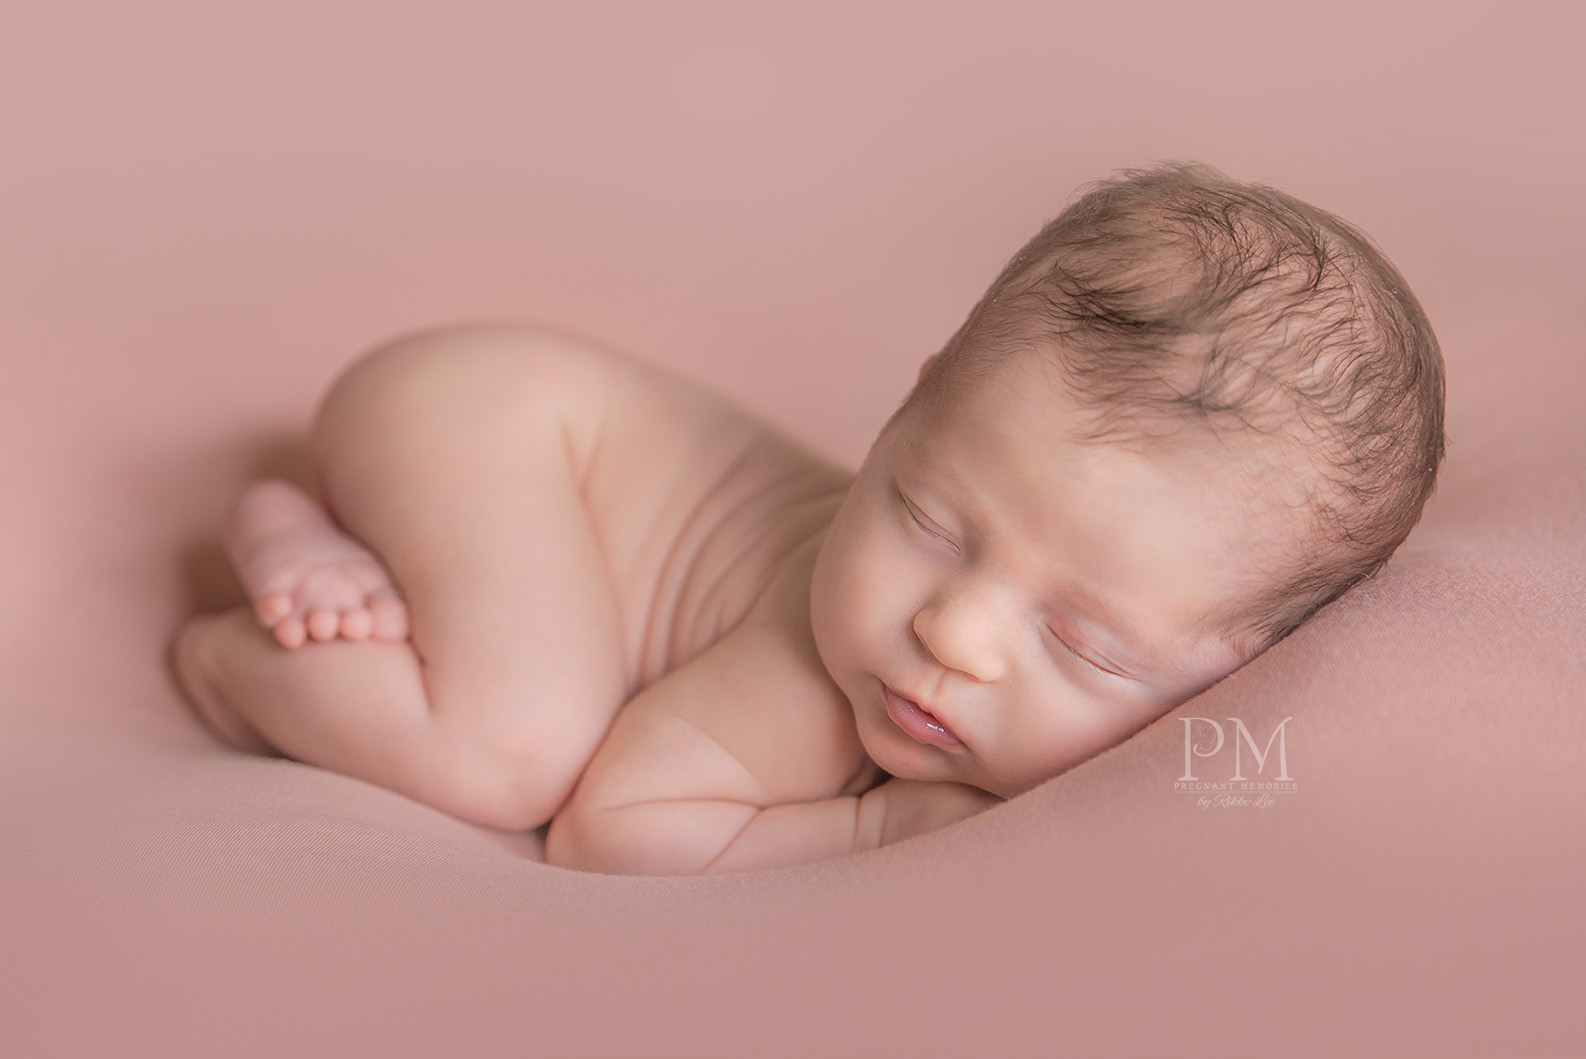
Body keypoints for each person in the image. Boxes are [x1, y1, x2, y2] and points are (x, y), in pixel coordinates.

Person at [172, 162, 1445, 874]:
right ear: (905, 409)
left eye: (1083, 644)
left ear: (1227, 673)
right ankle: (234, 652)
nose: (950, 634)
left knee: (521, 684)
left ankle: (334, 546)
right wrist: (879, 826)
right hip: (488, 424)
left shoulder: (1152, 679)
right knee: (514, 752)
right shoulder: (813, 667)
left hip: (509, 441)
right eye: (928, 519)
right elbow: (612, 831)